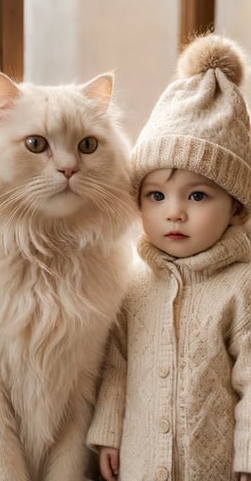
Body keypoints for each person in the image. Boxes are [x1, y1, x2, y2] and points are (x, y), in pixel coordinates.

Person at [87, 33, 251, 481]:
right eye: (155, 195)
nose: (173, 212)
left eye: (197, 195)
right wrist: (109, 434)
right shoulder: (135, 282)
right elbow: (117, 365)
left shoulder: (241, 285)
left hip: (210, 468)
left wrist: (247, 456)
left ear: (237, 206)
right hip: (140, 463)